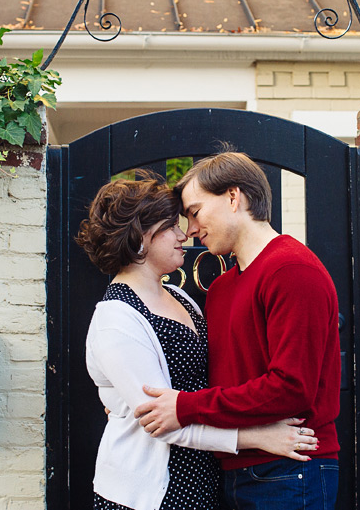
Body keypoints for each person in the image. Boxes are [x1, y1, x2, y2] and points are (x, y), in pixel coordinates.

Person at [76, 172, 320, 510]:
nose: (184, 234)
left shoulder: (181, 297)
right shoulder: (115, 318)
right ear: (140, 239)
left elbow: (205, 384)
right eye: (170, 226)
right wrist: (257, 437)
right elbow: (161, 421)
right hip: (150, 491)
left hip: (204, 478)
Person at [133, 151, 342, 510]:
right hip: (231, 467)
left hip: (290, 471)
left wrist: (185, 406)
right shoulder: (223, 289)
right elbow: (219, 377)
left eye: (195, 212)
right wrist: (132, 400)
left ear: (234, 197)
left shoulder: (292, 270)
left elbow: (291, 388)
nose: (190, 230)